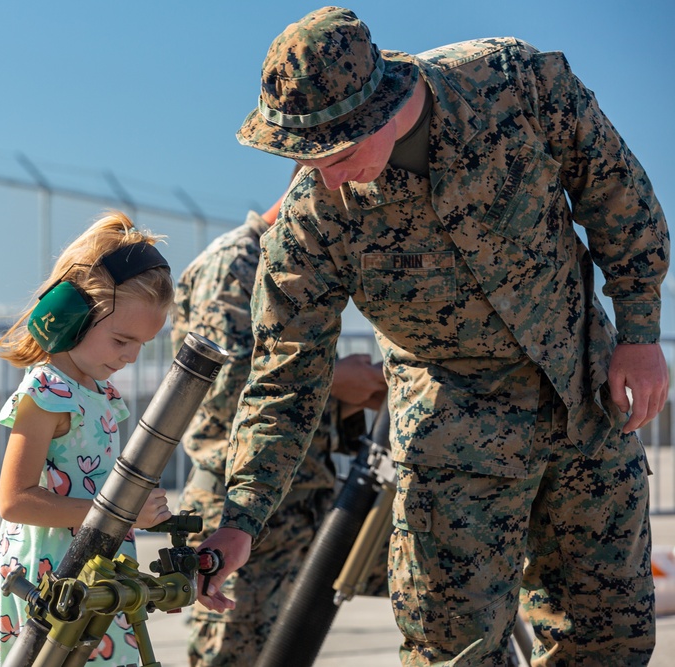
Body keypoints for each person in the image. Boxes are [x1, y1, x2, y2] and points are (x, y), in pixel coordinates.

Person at [198, 7, 670, 666]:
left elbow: (618, 194)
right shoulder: (311, 223)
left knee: (609, 636)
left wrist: (641, 333)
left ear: (384, 107)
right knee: (453, 649)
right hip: (455, 438)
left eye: (338, 151)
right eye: (307, 156)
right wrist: (242, 516)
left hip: (583, 397)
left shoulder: (515, 83)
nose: (326, 175)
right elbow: (284, 379)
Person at [172, 165, 387, 666]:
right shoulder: (235, 264)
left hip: (298, 504)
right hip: (239, 508)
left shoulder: (302, 264)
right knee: (232, 655)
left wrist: (352, 394)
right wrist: (335, 379)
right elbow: (222, 389)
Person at [0, 211, 175, 666]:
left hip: (94, 576)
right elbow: (15, 501)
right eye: (122, 339)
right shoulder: (46, 392)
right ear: (74, 313)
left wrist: (142, 514)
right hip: (48, 585)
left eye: (143, 344)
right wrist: (119, 515)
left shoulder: (101, 392)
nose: (132, 357)